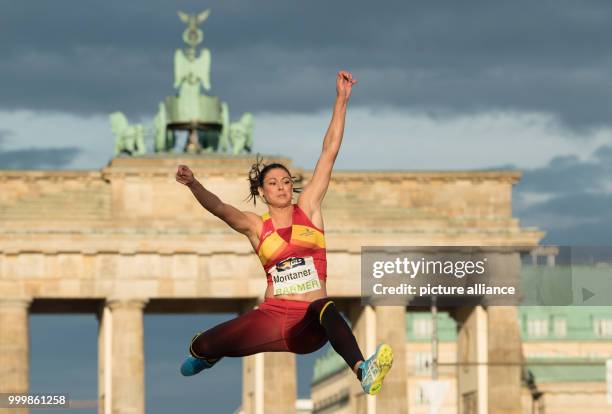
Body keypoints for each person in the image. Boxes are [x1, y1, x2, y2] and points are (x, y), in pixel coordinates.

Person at [175, 71, 393, 395]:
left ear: (293, 186)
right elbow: (220, 208)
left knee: (326, 307)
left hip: (310, 322)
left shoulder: (310, 209)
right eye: (273, 183)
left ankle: (363, 370)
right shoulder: (255, 226)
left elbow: (329, 152)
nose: (281, 187)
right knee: (205, 344)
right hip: (272, 317)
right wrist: (194, 184)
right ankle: (205, 355)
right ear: (263, 192)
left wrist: (341, 101)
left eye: (286, 181)